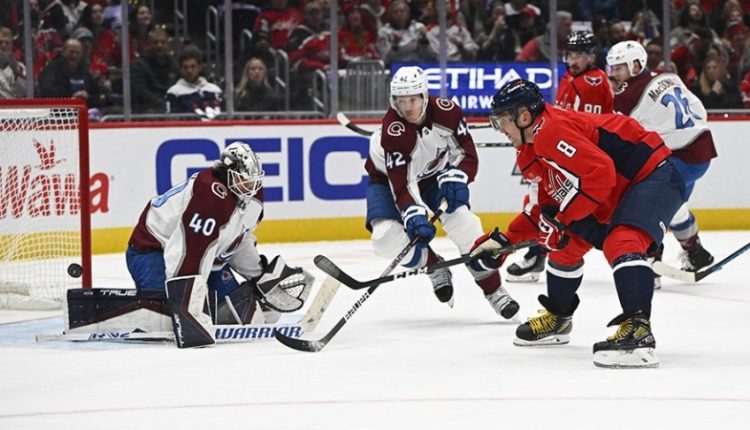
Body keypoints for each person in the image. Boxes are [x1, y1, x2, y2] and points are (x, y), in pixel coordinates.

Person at [471, 79, 685, 368]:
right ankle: (559, 319)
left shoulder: (550, 131)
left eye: (503, 120)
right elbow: (549, 206)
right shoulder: (530, 149)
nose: (500, 129)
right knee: (565, 246)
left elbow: (601, 174)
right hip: (614, 190)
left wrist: (561, 220)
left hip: (651, 174)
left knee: (622, 240)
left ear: (524, 116)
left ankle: (638, 332)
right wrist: (505, 241)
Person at [364, 66, 519, 319]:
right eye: (401, 101)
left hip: (432, 176)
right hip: (387, 180)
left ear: (424, 96)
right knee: (384, 239)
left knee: (465, 223)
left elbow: (466, 153)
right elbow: (402, 184)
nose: (408, 108)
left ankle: (493, 290)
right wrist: (413, 214)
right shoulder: (393, 132)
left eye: (413, 100)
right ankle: (433, 265)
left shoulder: (448, 113)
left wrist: (458, 176)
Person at [126, 142, 314, 348]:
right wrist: (186, 304)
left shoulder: (253, 198)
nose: (250, 186)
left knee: (242, 313)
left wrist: (258, 276)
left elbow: (238, 240)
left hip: (208, 259)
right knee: (165, 318)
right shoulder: (209, 195)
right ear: (227, 173)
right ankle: (127, 313)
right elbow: (188, 250)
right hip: (151, 250)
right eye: (244, 180)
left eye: (253, 180)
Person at [607, 41, 718, 287]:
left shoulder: (626, 97)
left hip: (678, 157)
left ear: (636, 65)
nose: (614, 73)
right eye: (612, 68)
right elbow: (697, 108)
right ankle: (696, 253)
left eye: (620, 68)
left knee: (645, 205)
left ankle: (650, 262)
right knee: (675, 207)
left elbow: (622, 138)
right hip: (701, 148)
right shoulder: (667, 74)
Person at [506, 31, 613, 283]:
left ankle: (538, 255)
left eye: (579, 56)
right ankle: (538, 253)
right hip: (566, 153)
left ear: (592, 56)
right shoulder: (569, 78)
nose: (572, 61)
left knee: (549, 206)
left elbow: (584, 128)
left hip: (581, 158)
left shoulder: (593, 83)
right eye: (570, 55)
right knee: (540, 202)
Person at [166, 48, 223, 119]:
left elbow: (224, 114)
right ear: (180, 69)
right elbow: (172, 119)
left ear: (199, 67)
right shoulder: (174, 92)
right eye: (185, 67)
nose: (189, 71)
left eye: (193, 66)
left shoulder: (214, 89)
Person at [131, 28, 178, 113]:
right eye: (155, 42)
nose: (159, 45)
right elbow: (140, 91)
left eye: (163, 42)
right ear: (149, 44)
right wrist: (162, 103)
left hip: (172, 107)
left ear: (168, 44)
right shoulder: (138, 65)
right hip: (145, 109)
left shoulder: (174, 65)